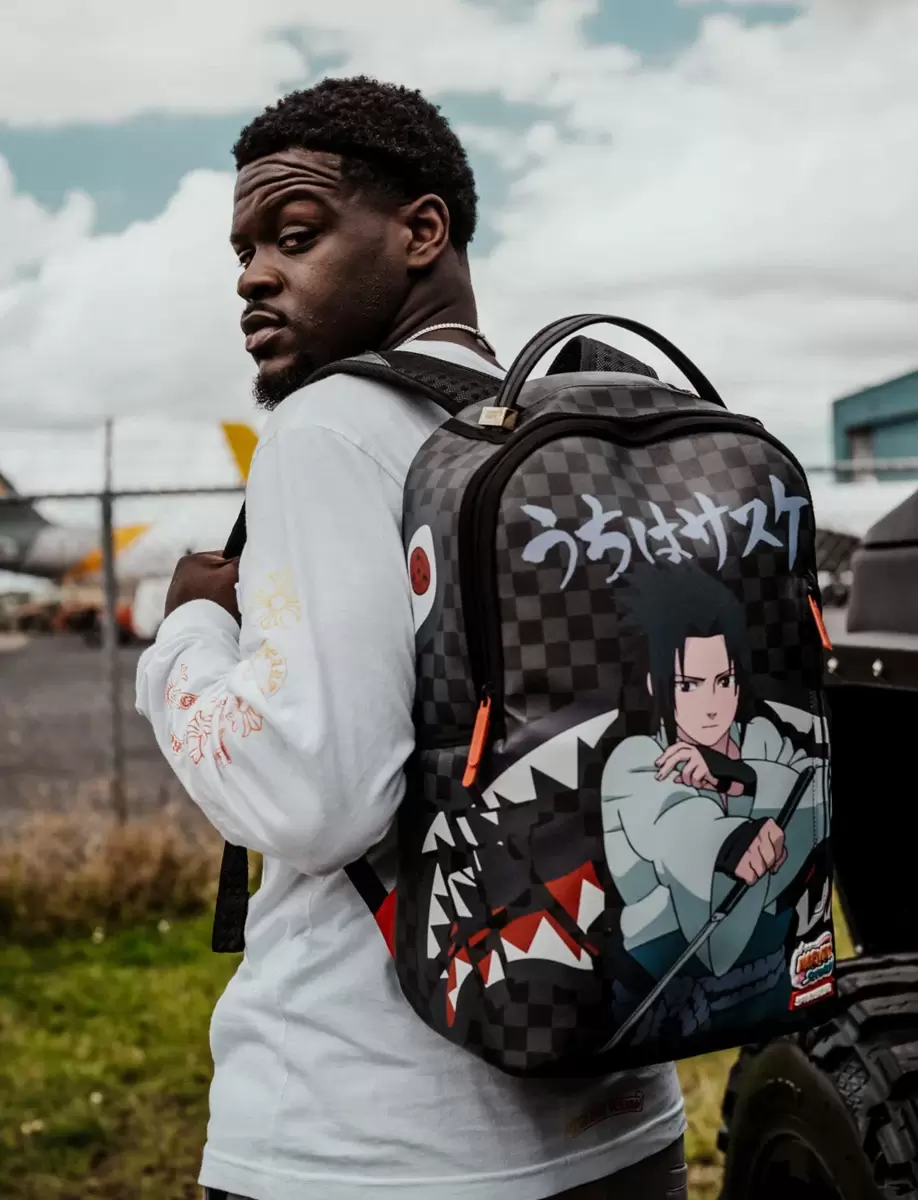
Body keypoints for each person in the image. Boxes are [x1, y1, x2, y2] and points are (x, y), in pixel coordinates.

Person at [136, 77, 687, 1200]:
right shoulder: (567, 428)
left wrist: (187, 633)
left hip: (370, 1137)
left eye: (294, 235)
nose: (252, 275)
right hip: (625, 1107)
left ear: (422, 231)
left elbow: (316, 799)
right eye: (243, 251)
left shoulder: (331, 427)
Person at [601, 563, 829, 1039]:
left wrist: (737, 777)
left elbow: (815, 796)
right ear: (656, 684)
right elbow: (671, 823)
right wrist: (732, 842)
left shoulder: (762, 739)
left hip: (772, 968)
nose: (711, 705)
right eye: (688, 685)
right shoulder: (636, 761)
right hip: (662, 987)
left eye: (723, 680)